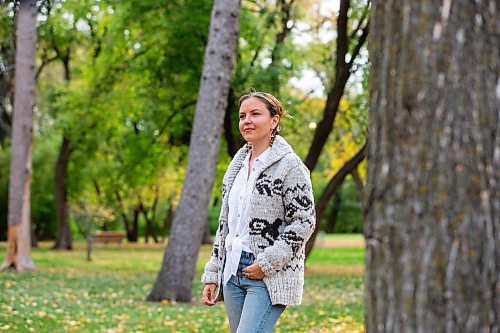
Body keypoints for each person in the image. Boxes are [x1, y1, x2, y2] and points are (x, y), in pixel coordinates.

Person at [201, 91, 316, 333]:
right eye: (242, 116)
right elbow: (226, 225)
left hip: (267, 275)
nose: (246, 121)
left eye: (255, 114)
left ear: (274, 120)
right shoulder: (237, 167)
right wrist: (213, 272)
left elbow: (304, 221)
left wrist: (266, 263)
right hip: (232, 272)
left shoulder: (290, 166)